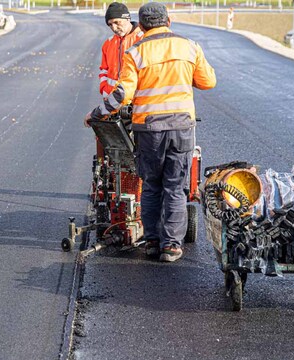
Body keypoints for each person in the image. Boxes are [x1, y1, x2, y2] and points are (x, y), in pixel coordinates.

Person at [84, 2, 216, 262]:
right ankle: (172, 246)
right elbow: (208, 82)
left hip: (149, 129)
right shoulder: (189, 46)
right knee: (176, 188)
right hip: (181, 127)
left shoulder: (136, 52)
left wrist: (96, 114)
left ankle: (153, 242)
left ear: (141, 26)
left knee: (152, 186)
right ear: (169, 21)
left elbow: (122, 95)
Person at [99, 2, 144, 98]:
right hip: (111, 99)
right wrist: (104, 90)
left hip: (136, 100)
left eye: (116, 22)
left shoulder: (143, 40)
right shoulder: (108, 43)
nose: (114, 28)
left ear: (127, 18)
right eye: (110, 24)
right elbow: (104, 70)